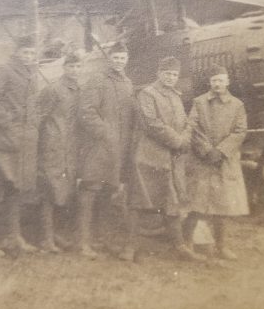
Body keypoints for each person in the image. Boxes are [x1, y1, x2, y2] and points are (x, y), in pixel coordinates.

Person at [120, 57, 204, 262]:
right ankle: (129, 247)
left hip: (170, 159)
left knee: (171, 201)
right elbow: (152, 124)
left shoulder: (176, 96)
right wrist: (178, 141)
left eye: (174, 74)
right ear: (158, 74)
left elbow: (184, 122)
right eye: (167, 73)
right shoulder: (147, 94)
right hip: (147, 157)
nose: (170, 78)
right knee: (139, 201)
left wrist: (185, 139)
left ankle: (178, 246)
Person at [183, 65, 249, 260]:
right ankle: (187, 243)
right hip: (202, 161)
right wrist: (206, 150)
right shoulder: (199, 102)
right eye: (214, 81)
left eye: (221, 80)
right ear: (209, 83)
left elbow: (240, 131)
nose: (217, 84)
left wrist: (221, 151)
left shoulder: (237, 105)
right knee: (196, 205)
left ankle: (221, 246)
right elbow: (192, 127)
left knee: (223, 206)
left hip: (224, 161)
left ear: (227, 82)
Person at [0, 36, 40, 257]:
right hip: (3, 140)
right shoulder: (4, 70)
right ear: (17, 52)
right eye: (25, 52)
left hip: (23, 140)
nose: (29, 57)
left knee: (16, 189)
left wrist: (32, 127)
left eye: (32, 53)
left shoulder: (31, 74)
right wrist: (8, 124)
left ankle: (14, 237)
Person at [76, 41, 136, 258]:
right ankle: (83, 242)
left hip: (118, 150)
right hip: (98, 147)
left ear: (126, 60)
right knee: (90, 191)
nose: (119, 61)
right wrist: (105, 132)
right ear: (109, 58)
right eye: (116, 57)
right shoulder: (98, 80)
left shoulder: (128, 83)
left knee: (108, 193)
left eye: (122, 58)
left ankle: (102, 240)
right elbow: (86, 112)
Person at [36, 52, 83, 253]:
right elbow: (40, 117)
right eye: (71, 66)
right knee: (49, 190)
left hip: (69, 148)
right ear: (64, 68)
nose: (74, 70)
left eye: (78, 67)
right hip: (53, 146)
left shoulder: (79, 90)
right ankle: (46, 239)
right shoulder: (53, 89)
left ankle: (55, 234)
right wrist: (45, 143)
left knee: (64, 191)